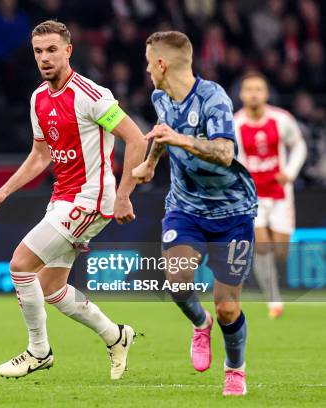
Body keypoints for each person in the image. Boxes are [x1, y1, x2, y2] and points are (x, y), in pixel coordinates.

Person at [0, 20, 146, 379]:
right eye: (39, 52)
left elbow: (137, 140)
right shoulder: (38, 99)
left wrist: (124, 196)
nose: (45, 58)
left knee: (20, 264)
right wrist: (5, 190)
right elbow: (40, 156)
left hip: (92, 198)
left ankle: (38, 352)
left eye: (52, 50)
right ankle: (116, 335)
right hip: (63, 198)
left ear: (68, 51)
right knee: (50, 289)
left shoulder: (92, 96)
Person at [132, 31, 257, 396]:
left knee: (228, 309)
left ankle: (235, 367)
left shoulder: (212, 97)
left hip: (232, 212)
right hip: (185, 207)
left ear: (161, 64)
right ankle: (199, 324)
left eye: (147, 62)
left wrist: (182, 141)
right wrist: (151, 163)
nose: (146, 70)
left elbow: (224, 153)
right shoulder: (160, 96)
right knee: (177, 280)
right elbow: (162, 132)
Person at [234, 73, 307, 319]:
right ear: (242, 94)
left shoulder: (281, 119)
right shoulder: (235, 123)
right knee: (262, 245)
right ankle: (273, 300)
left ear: (266, 94)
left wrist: (290, 172)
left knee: (281, 250)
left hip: (279, 194)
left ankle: (274, 293)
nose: (254, 94)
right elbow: (229, 157)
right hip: (251, 196)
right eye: (249, 89)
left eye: (259, 89)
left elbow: (299, 145)